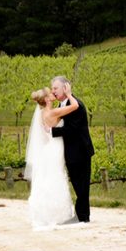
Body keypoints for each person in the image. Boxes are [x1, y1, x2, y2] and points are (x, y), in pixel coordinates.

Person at [25, 87, 78, 230]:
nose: (53, 93)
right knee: (56, 176)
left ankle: (47, 213)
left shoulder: (42, 113)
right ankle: (56, 214)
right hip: (55, 147)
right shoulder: (53, 112)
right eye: (50, 93)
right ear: (47, 99)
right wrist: (68, 94)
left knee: (50, 177)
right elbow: (75, 106)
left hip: (49, 148)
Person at [49, 76, 95, 223]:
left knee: (82, 185)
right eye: (52, 88)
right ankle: (82, 216)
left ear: (65, 88)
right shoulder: (62, 105)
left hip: (80, 151)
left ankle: (82, 217)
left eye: (55, 88)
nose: (53, 91)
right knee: (77, 184)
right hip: (71, 152)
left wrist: (51, 132)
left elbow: (72, 129)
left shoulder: (76, 105)